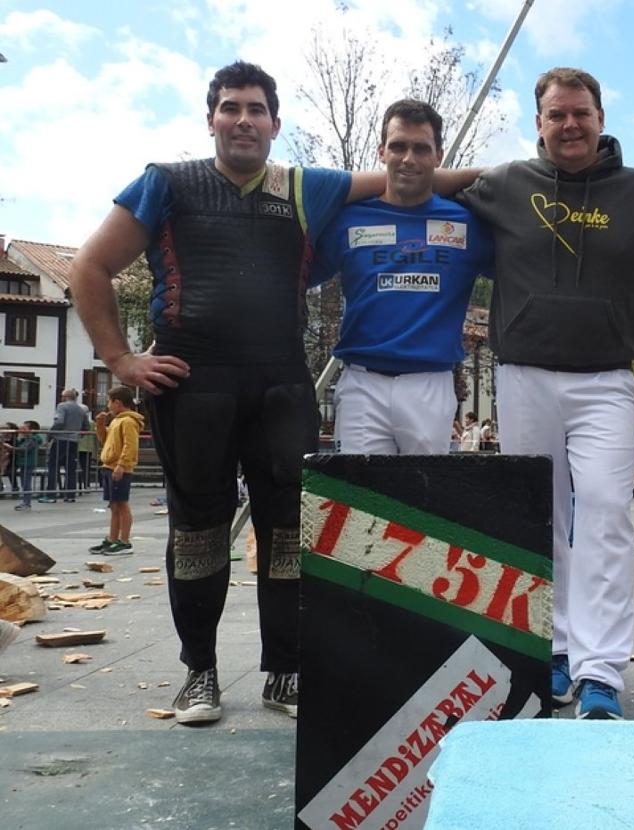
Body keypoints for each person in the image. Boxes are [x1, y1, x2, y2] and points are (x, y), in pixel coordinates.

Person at [65, 61, 452, 725]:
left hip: (281, 383)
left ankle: (286, 672)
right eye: (230, 107)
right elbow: (89, 265)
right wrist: (119, 358)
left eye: (255, 109)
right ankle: (199, 673)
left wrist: (519, 179)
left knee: (289, 530)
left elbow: (407, 176)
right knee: (199, 530)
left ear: (275, 123)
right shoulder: (166, 183)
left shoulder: (303, 186)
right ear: (211, 119)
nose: (243, 120)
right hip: (194, 384)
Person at [456, 67, 634, 720]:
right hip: (524, 374)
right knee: (537, 516)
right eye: (557, 114)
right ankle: (549, 648)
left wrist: (618, 299)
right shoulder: (505, 184)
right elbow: (430, 186)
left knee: (605, 512)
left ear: (601, 117)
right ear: (539, 123)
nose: (570, 124)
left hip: (606, 378)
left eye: (581, 112)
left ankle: (600, 671)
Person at [312, 99, 494, 455]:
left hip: (431, 385)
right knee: (360, 492)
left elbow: (520, 273)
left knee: (424, 491)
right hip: (362, 385)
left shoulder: (466, 223)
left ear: (438, 156)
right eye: (398, 146)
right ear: (382, 151)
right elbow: (297, 278)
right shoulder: (348, 220)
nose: (408, 158)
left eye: (421, 148)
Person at [88, 387, 143, 554]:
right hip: (109, 465)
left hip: (119, 467)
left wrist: (122, 464)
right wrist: (99, 425)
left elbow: (130, 445)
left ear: (117, 402)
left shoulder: (128, 421)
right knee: (114, 505)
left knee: (121, 504)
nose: (108, 405)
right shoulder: (116, 421)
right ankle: (112, 538)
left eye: (109, 402)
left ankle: (124, 541)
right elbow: (105, 440)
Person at [40, 388, 91, 503]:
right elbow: (86, 426)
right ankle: (70, 495)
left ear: (65, 397)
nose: (61, 398)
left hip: (61, 440)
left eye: (62, 396)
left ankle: (51, 495)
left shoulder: (62, 406)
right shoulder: (81, 409)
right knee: (71, 469)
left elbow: (59, 422)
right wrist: (78, 435)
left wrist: (50, 434)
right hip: (74, 441)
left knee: (53, 466)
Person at [8, 421, 42, 511]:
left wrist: (11, 448)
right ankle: (25, 502)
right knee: (24, 483)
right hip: (23, 463)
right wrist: (19, 438)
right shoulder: (26, 438)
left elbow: (24, 449)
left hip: (28, 463)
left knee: (26, 484)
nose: (22, 429)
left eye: (25, 428)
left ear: (32, 430)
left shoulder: (33, 439)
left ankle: (27, 503)